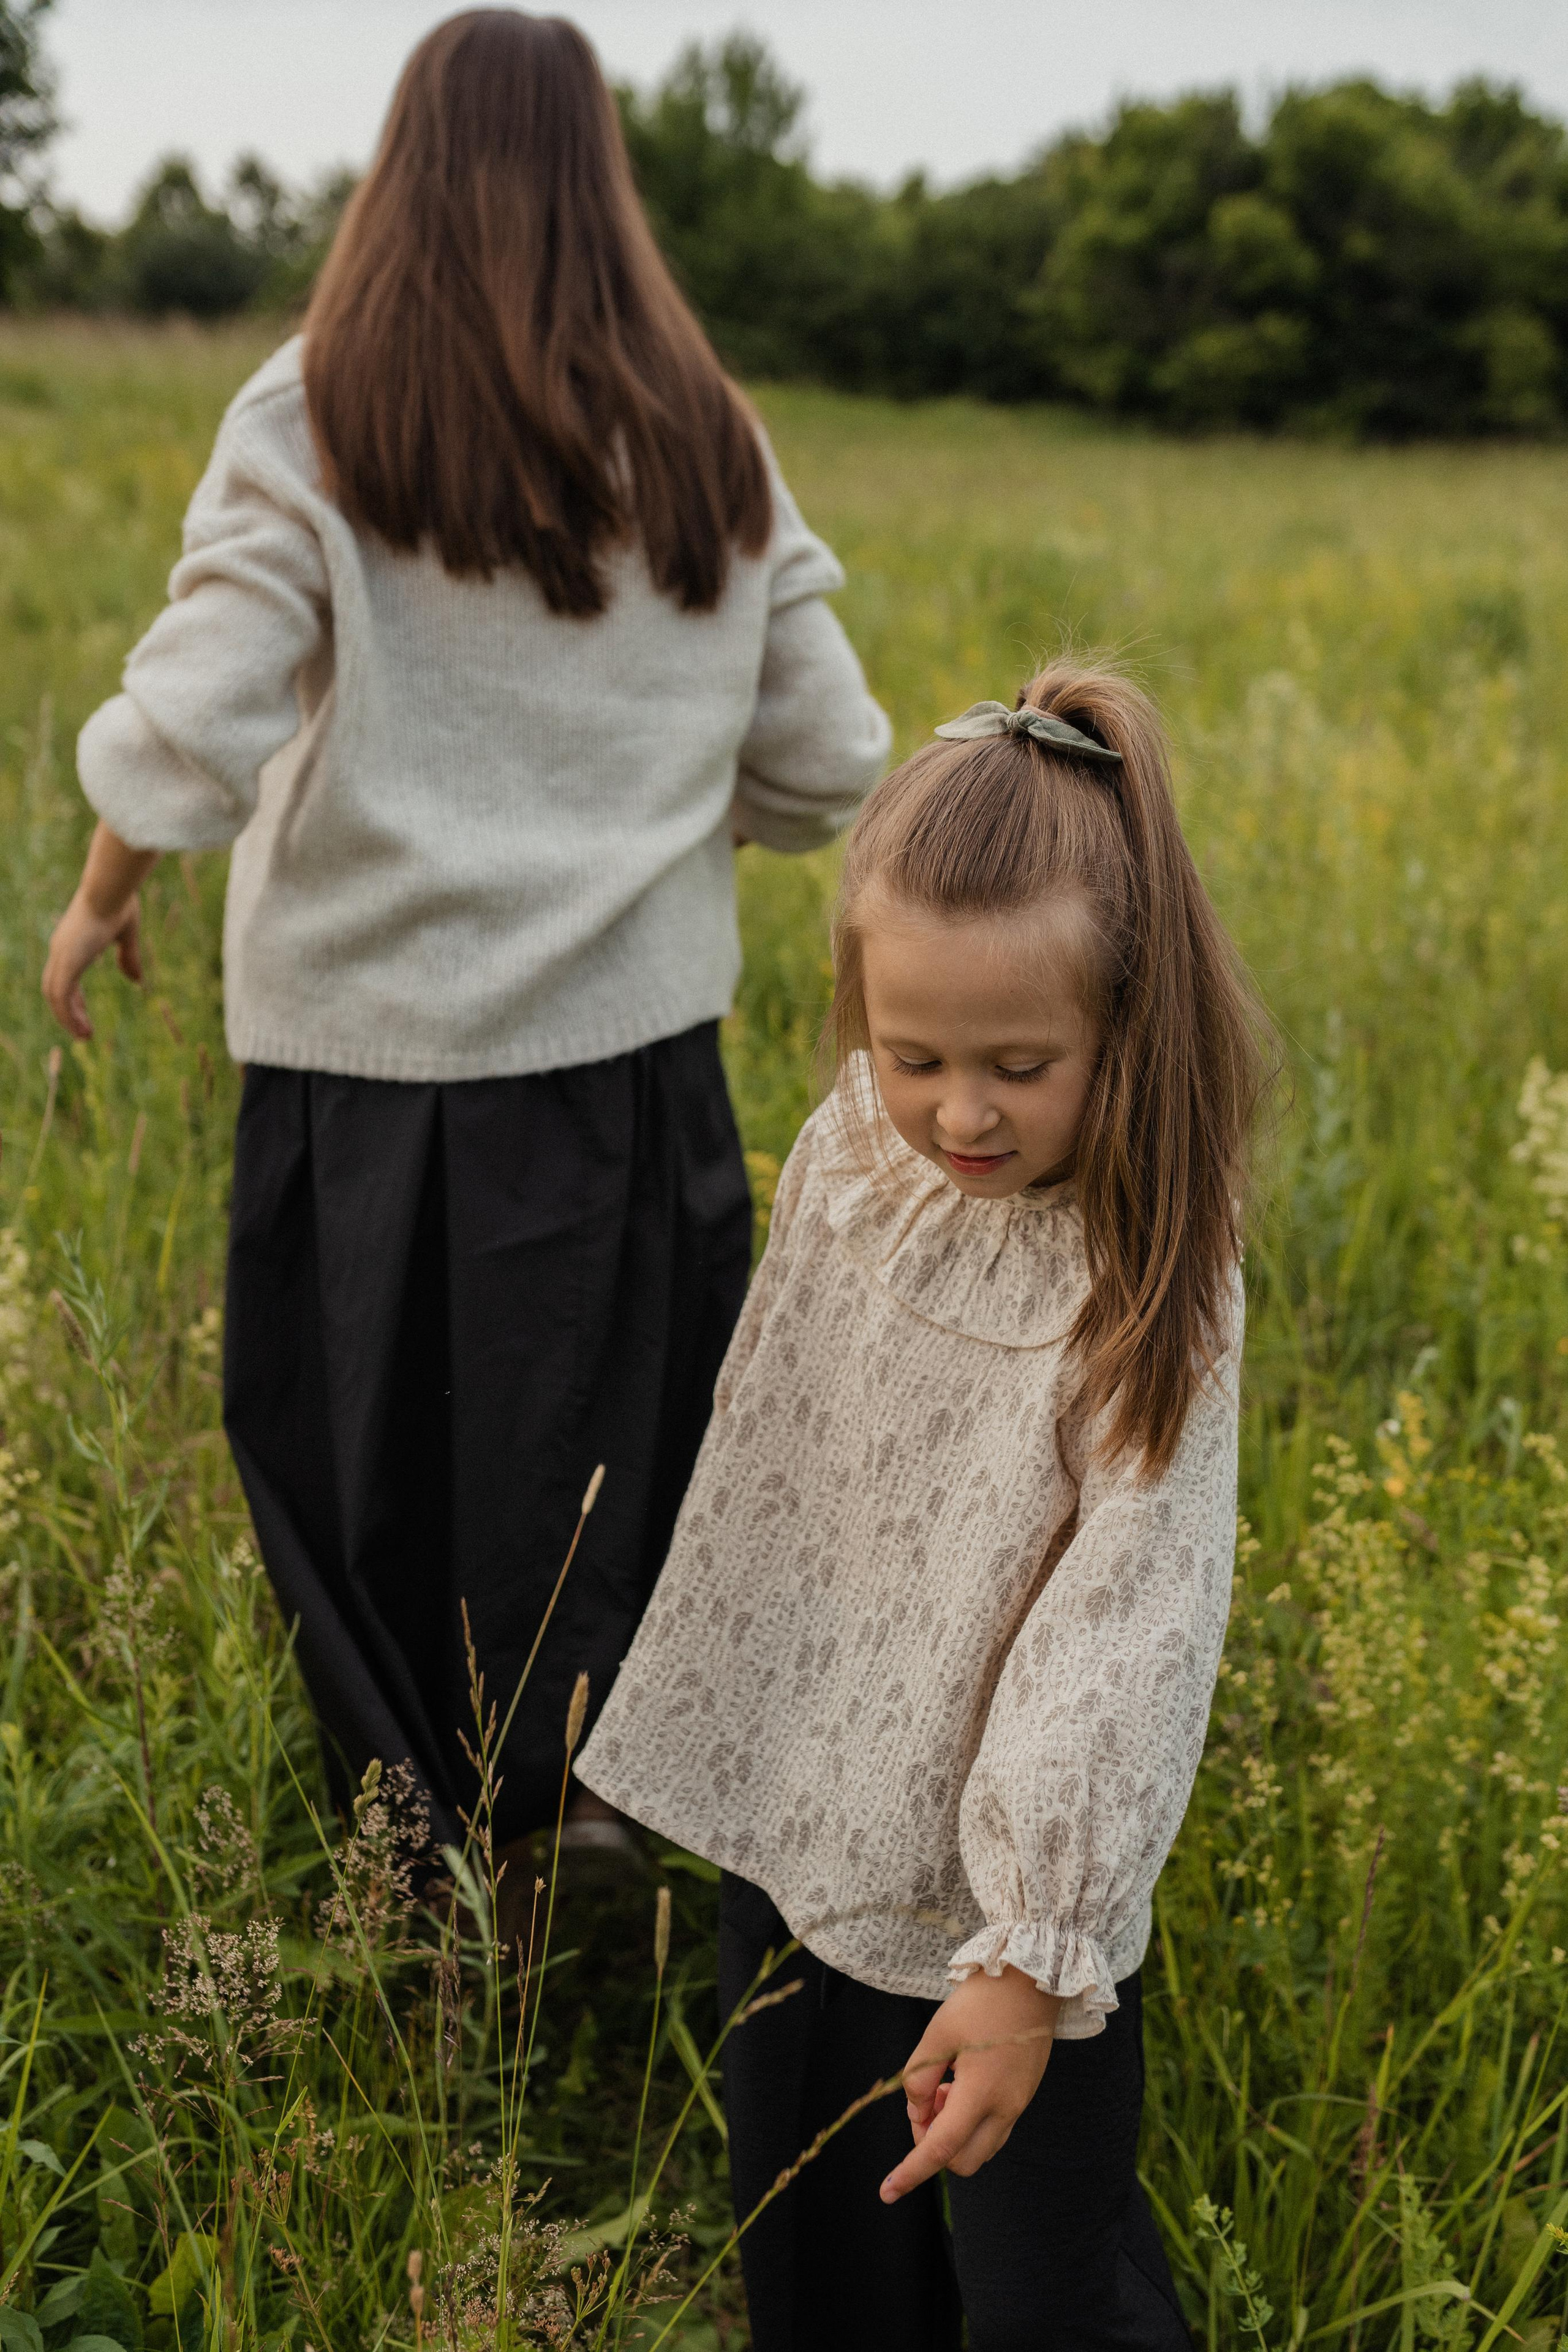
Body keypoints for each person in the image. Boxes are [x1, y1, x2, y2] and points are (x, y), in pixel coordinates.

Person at [40, 9, 889, 1855]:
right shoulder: (704, 429)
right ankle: (598, 1809)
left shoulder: (317, 402)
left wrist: (105, 895)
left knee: (370, 1485)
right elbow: (828, 761)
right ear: (608, 186)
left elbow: (202, 715)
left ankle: (414, 1869)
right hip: (632, 1068)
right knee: (609, 1465)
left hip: (366, 1070)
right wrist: (647, 819)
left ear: (398, 170)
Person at [577, 657, 1270, 2351]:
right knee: (818, 2259)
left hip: (1010, 1906)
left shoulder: (1147, 1268)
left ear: (1128, 1024)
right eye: (913, 1054)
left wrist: (1031, 1952)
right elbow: (783, 1466)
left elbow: (1128, 1623)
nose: (959, 1111)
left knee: (1043, 2294)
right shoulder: (852, 1160)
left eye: (1022, 1065)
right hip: (810, 1833)